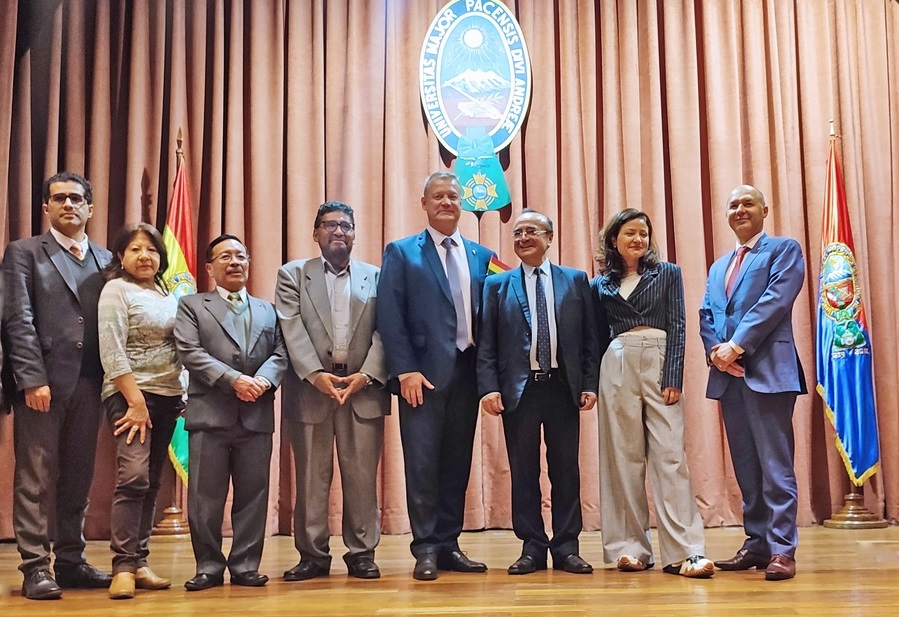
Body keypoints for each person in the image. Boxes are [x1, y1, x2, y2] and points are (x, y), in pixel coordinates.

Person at [377, 172, 496, 580]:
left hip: (468, 375)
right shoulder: (402, 252)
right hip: (421, 379)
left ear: (462, 203)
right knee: (423, 466)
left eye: (453, 196)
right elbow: (390, 316)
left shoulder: (482, 255)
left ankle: (448, 544)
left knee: (456, 464)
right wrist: (405, 369)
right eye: (438, 196)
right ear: (424, 203)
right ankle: (424, 548)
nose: (447, 202)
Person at [2, 172, 113, 600]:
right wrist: (31, 378)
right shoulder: (24, 253)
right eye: (59, 198)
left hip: (92, 384)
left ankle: (70, 561)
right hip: (42, 386)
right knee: (35, 478)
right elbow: (18, 319)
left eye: (77, 198)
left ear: (90, 207)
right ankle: (34, 567)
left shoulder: (107, 259)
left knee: (78, 477)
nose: (68, 205)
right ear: (46, 207)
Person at [592, 209, 713, 578]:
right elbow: (596, 337)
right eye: (630, 233)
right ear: (614, 239)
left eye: (644, 234)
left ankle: (686, 551)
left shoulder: (669, 273)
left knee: (669, 455)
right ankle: (631, 547)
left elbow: (678, 324)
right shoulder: (600, 285)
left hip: (660, 361)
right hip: (616, 363)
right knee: (622, 457)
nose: (638, 240)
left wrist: (673, 375)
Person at [478, 210, 598, 575]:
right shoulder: (497, 284)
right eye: (517, 232)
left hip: (563, 388)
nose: (523, 237)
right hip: (520, 391)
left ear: (550, 237)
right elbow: (487, 344)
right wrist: (488, 388)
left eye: (532, 231)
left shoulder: (575, 281)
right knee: (523, 471)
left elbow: (590, 339)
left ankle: (566, 547)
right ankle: (531, 547)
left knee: (566, 471)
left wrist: (590, 383)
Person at [275, 201, 390, 581]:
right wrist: (315, 374)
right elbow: (290, 326)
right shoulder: (293, 275)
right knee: (310, 477)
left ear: (355, 233)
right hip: (311, 391)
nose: (338, 231)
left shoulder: (376, 276)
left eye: (345, 225)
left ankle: (361, 553)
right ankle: (312, 555)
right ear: (315, 233)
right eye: (329, 225)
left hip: (363, 390)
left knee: (361, 478)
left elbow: (386, 331)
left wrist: (368, 374)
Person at [699, 185, 806, 581]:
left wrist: (736, 346)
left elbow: (775, 300)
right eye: (733, 204)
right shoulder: (718, 265)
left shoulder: (783, 249)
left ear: (765, 209)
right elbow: (706, 313)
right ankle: (757, 543)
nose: (740, 209)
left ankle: (782, 550)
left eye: (748, 203)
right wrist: (716, 353)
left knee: (776, 466)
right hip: (729, 378)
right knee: (746, 467)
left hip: (769, 373)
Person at [174, 234, 288, 591]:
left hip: (256, 414)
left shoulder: (268, 309)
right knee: (205, 499)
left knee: (253, 495)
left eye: (240, 255)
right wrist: (234, 379)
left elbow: (282, 352)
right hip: (210, 414)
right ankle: (208, 566)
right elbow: (190, 352)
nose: (235, 262)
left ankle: (245, 565)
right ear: (210, 268)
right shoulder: (192, 305)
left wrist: (263, 381)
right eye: (225, 256)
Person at [98, 223, 185, 599]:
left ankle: (140, 561)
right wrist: (134, 401)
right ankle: (122, 567)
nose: (144, 256)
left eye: (151, 250)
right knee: (132, 476)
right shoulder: (116, 290)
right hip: (130, 395)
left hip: (168, 396)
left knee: (150, 481)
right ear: (121, 257)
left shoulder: (169, 294)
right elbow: (112, 349)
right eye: (135, 249)